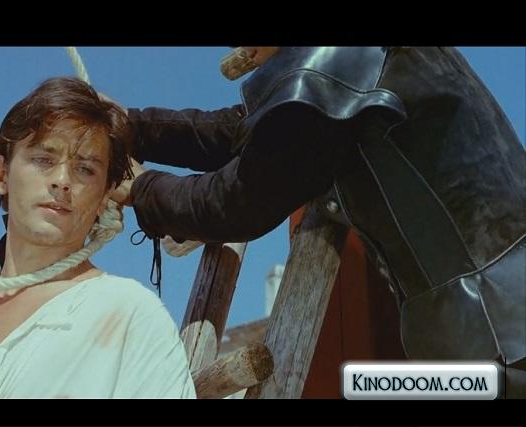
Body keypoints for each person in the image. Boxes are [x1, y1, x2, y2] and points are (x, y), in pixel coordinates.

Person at [113, 47, 525, 398]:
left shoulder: (329, 65)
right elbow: (248, 131)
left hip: (494, 330)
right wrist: (132, 128)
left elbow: (238, 202)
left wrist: (142, 188)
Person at [0, 77, 196, 398]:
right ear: (2, 174)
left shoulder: (127, 313)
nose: (62, 180)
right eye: (44, 159)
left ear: (104, 196)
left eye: (85, 169)